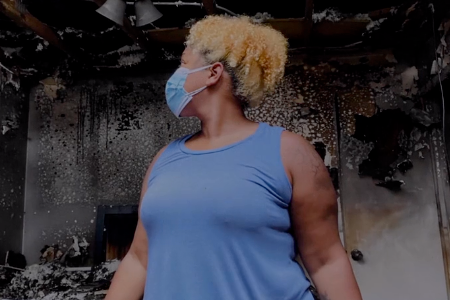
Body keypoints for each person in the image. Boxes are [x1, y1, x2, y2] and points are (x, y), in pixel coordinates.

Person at [105, 15, 362, 300]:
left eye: (184, 64)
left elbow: (327, 260)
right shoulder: (163, 160)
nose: (175, 76)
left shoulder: (290, 151)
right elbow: (139, 260)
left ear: (213, 73)